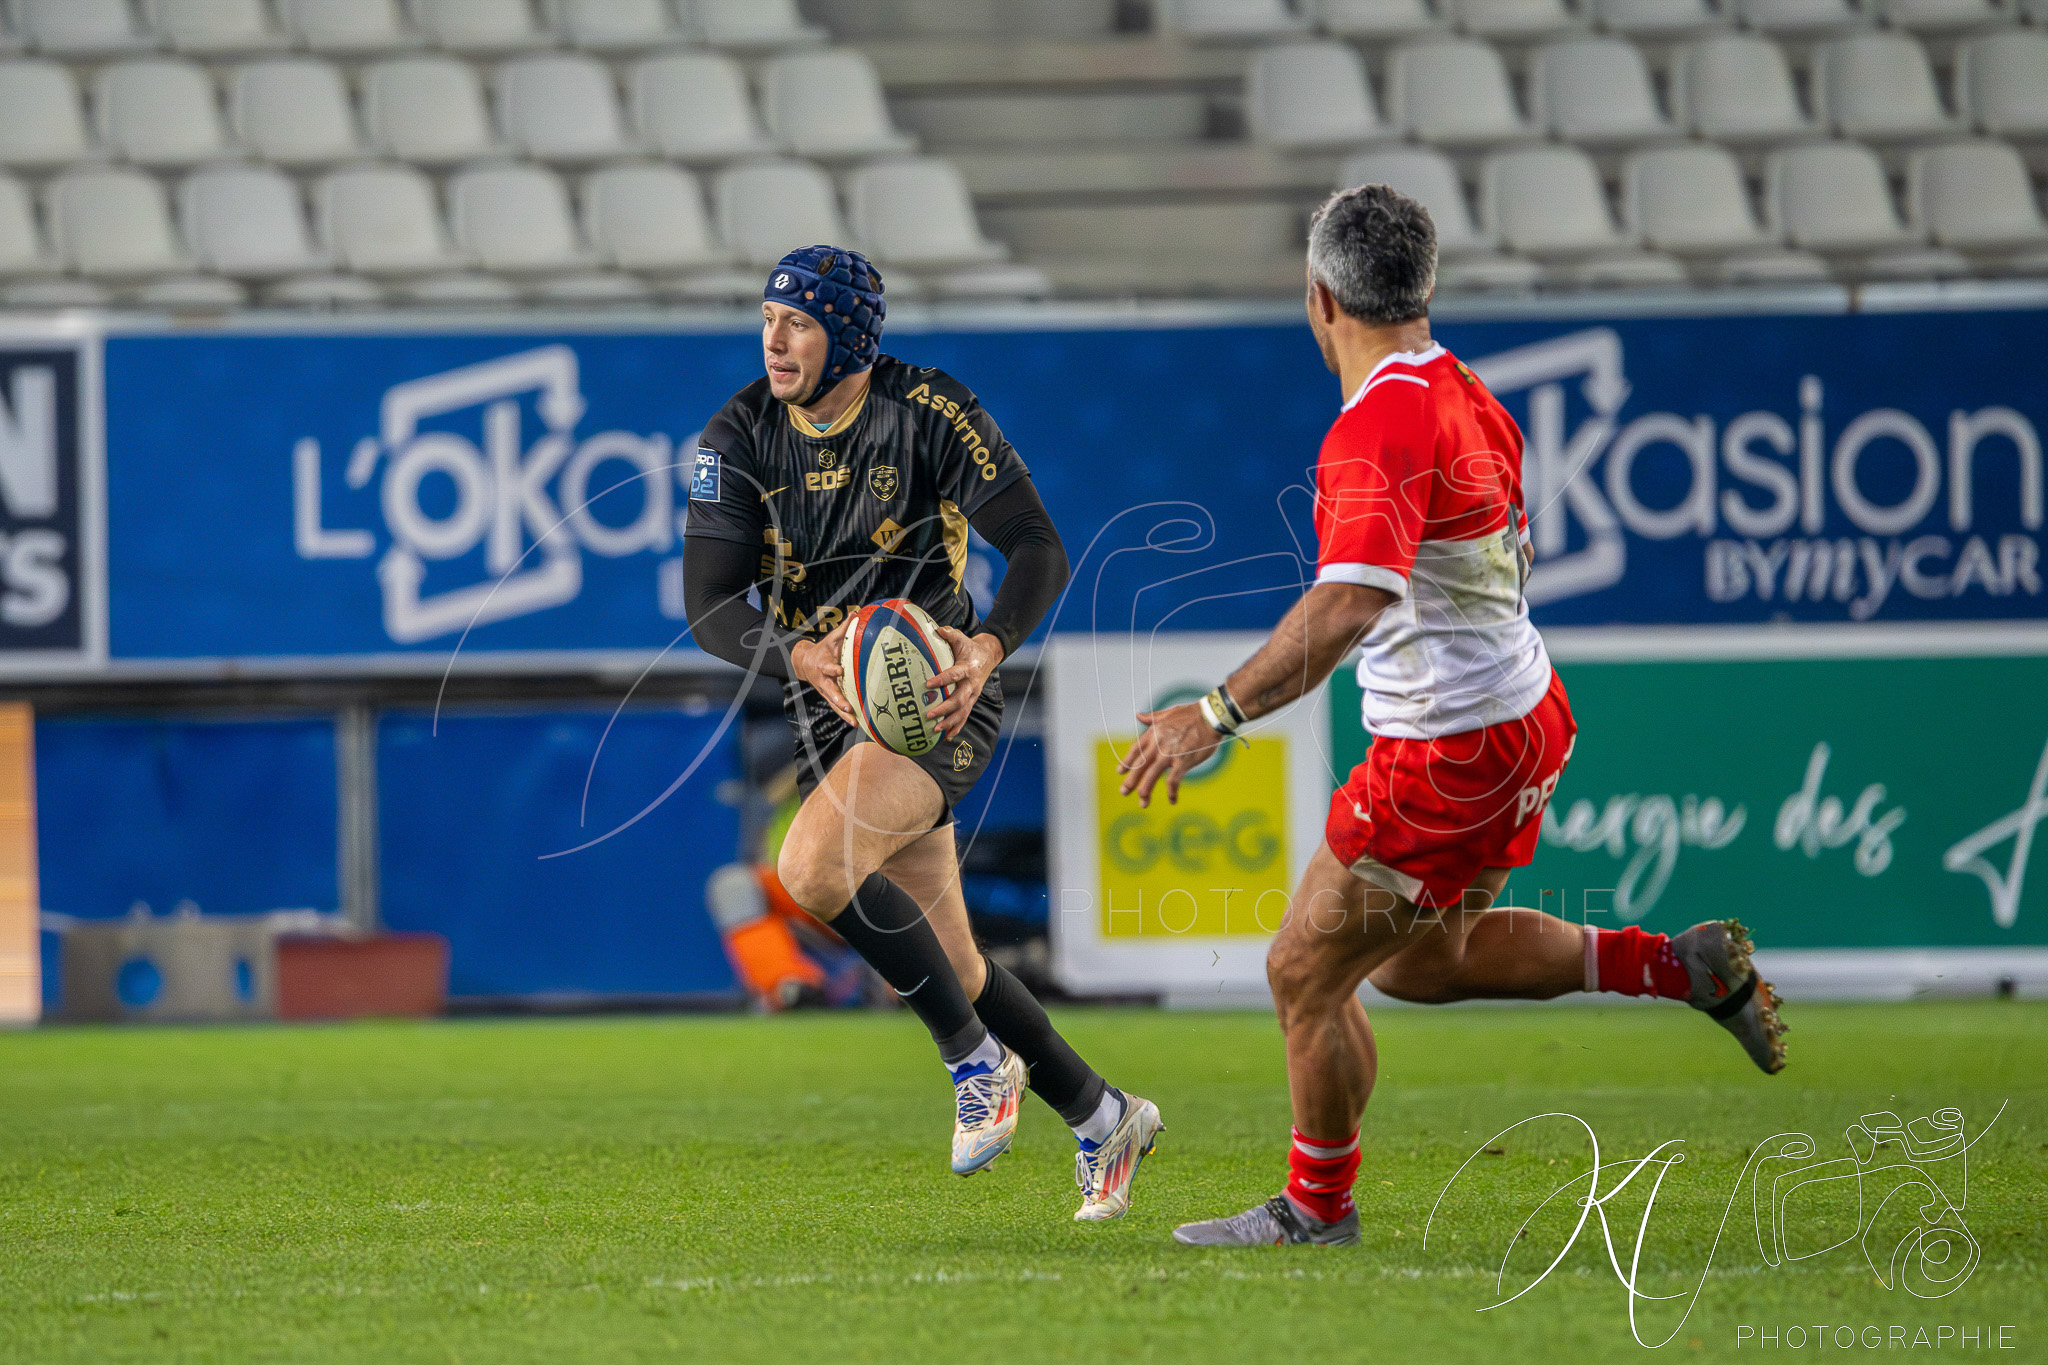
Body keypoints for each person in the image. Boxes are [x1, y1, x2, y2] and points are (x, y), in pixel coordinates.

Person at [1115, 187, 1787, 1249]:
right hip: (1521, 717)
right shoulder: (1468, 391)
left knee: (1302, 970)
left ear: (1318, 298)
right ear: (1420, 288)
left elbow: (1348, 603)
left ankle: (1313, 1211)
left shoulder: (1378, 422)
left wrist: (1212, 714)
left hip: (1446, 749)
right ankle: (1677, 965)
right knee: (1417, 963)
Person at [682, 245, 1163, 1222]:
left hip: (933, 695)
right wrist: (803, 658)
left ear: (850, 334)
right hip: (833, 701)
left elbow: (1035, 544)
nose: (774, 339)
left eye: (800, 322)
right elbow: (705, 605)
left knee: (811, 871)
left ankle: (973, 1062)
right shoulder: (733, 436)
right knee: (959, 960)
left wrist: (986, 649)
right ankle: (1101, 1112)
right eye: (767, 318)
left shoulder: (931, 412)